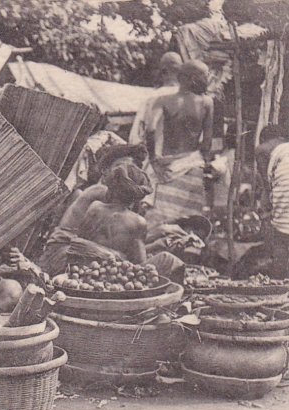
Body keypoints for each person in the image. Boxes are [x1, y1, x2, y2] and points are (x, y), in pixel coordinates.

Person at [38, 144, 148, 275]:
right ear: (106, 170)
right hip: (64, 253)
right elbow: (83, 242)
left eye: (130, 168)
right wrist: (117, 256)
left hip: (86, 255)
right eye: (119, 167)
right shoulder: (99, 193)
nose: (124, 172)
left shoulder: (127, 200)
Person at [145, 59, 214, 227]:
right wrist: (204, 161)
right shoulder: (206, 103)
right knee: (189, 223)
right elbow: (207, 142)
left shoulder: (162, 100)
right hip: (190, 166)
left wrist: (154, 160)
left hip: (165, 167)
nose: (207, 80)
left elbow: (150, 129)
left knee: (159, 222)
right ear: (191, 79)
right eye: (204, 76)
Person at [256, 125, 289, 279]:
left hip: (285, 215)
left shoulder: (272, 149)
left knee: (282, 239)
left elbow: (269, 188)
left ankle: (279, 282)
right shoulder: (286, 148)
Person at [129, 52, 183, 149]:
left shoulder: (151, 97)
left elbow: (136, 136)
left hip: (157, 157)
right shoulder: (191, 97)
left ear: (162, 71)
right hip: (186, 159)